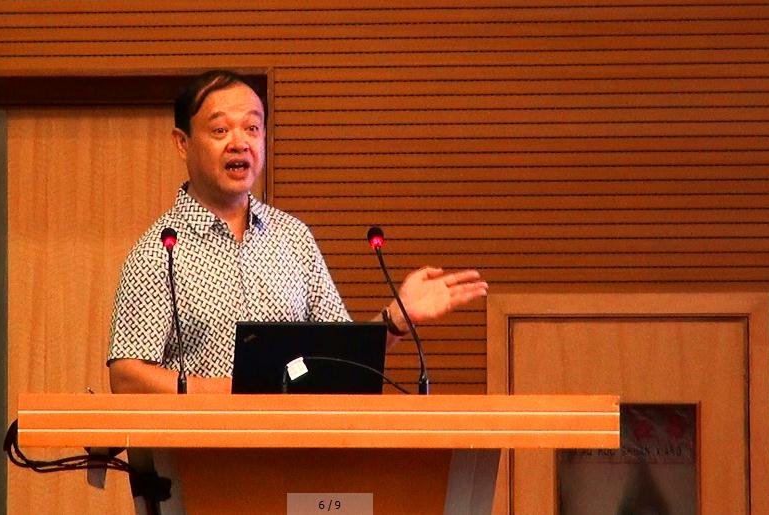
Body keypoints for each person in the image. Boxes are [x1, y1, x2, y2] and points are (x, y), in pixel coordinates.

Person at [107, 70, 488, 394]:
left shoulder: (292, 237)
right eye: (220, 130)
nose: (239, 142)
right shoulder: (160, 250)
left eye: (252, 128)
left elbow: (338, 356)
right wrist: (239, 392)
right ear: (183, 143)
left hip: (292, 448)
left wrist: (396, 319)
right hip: (197, 449)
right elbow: (126, 377)